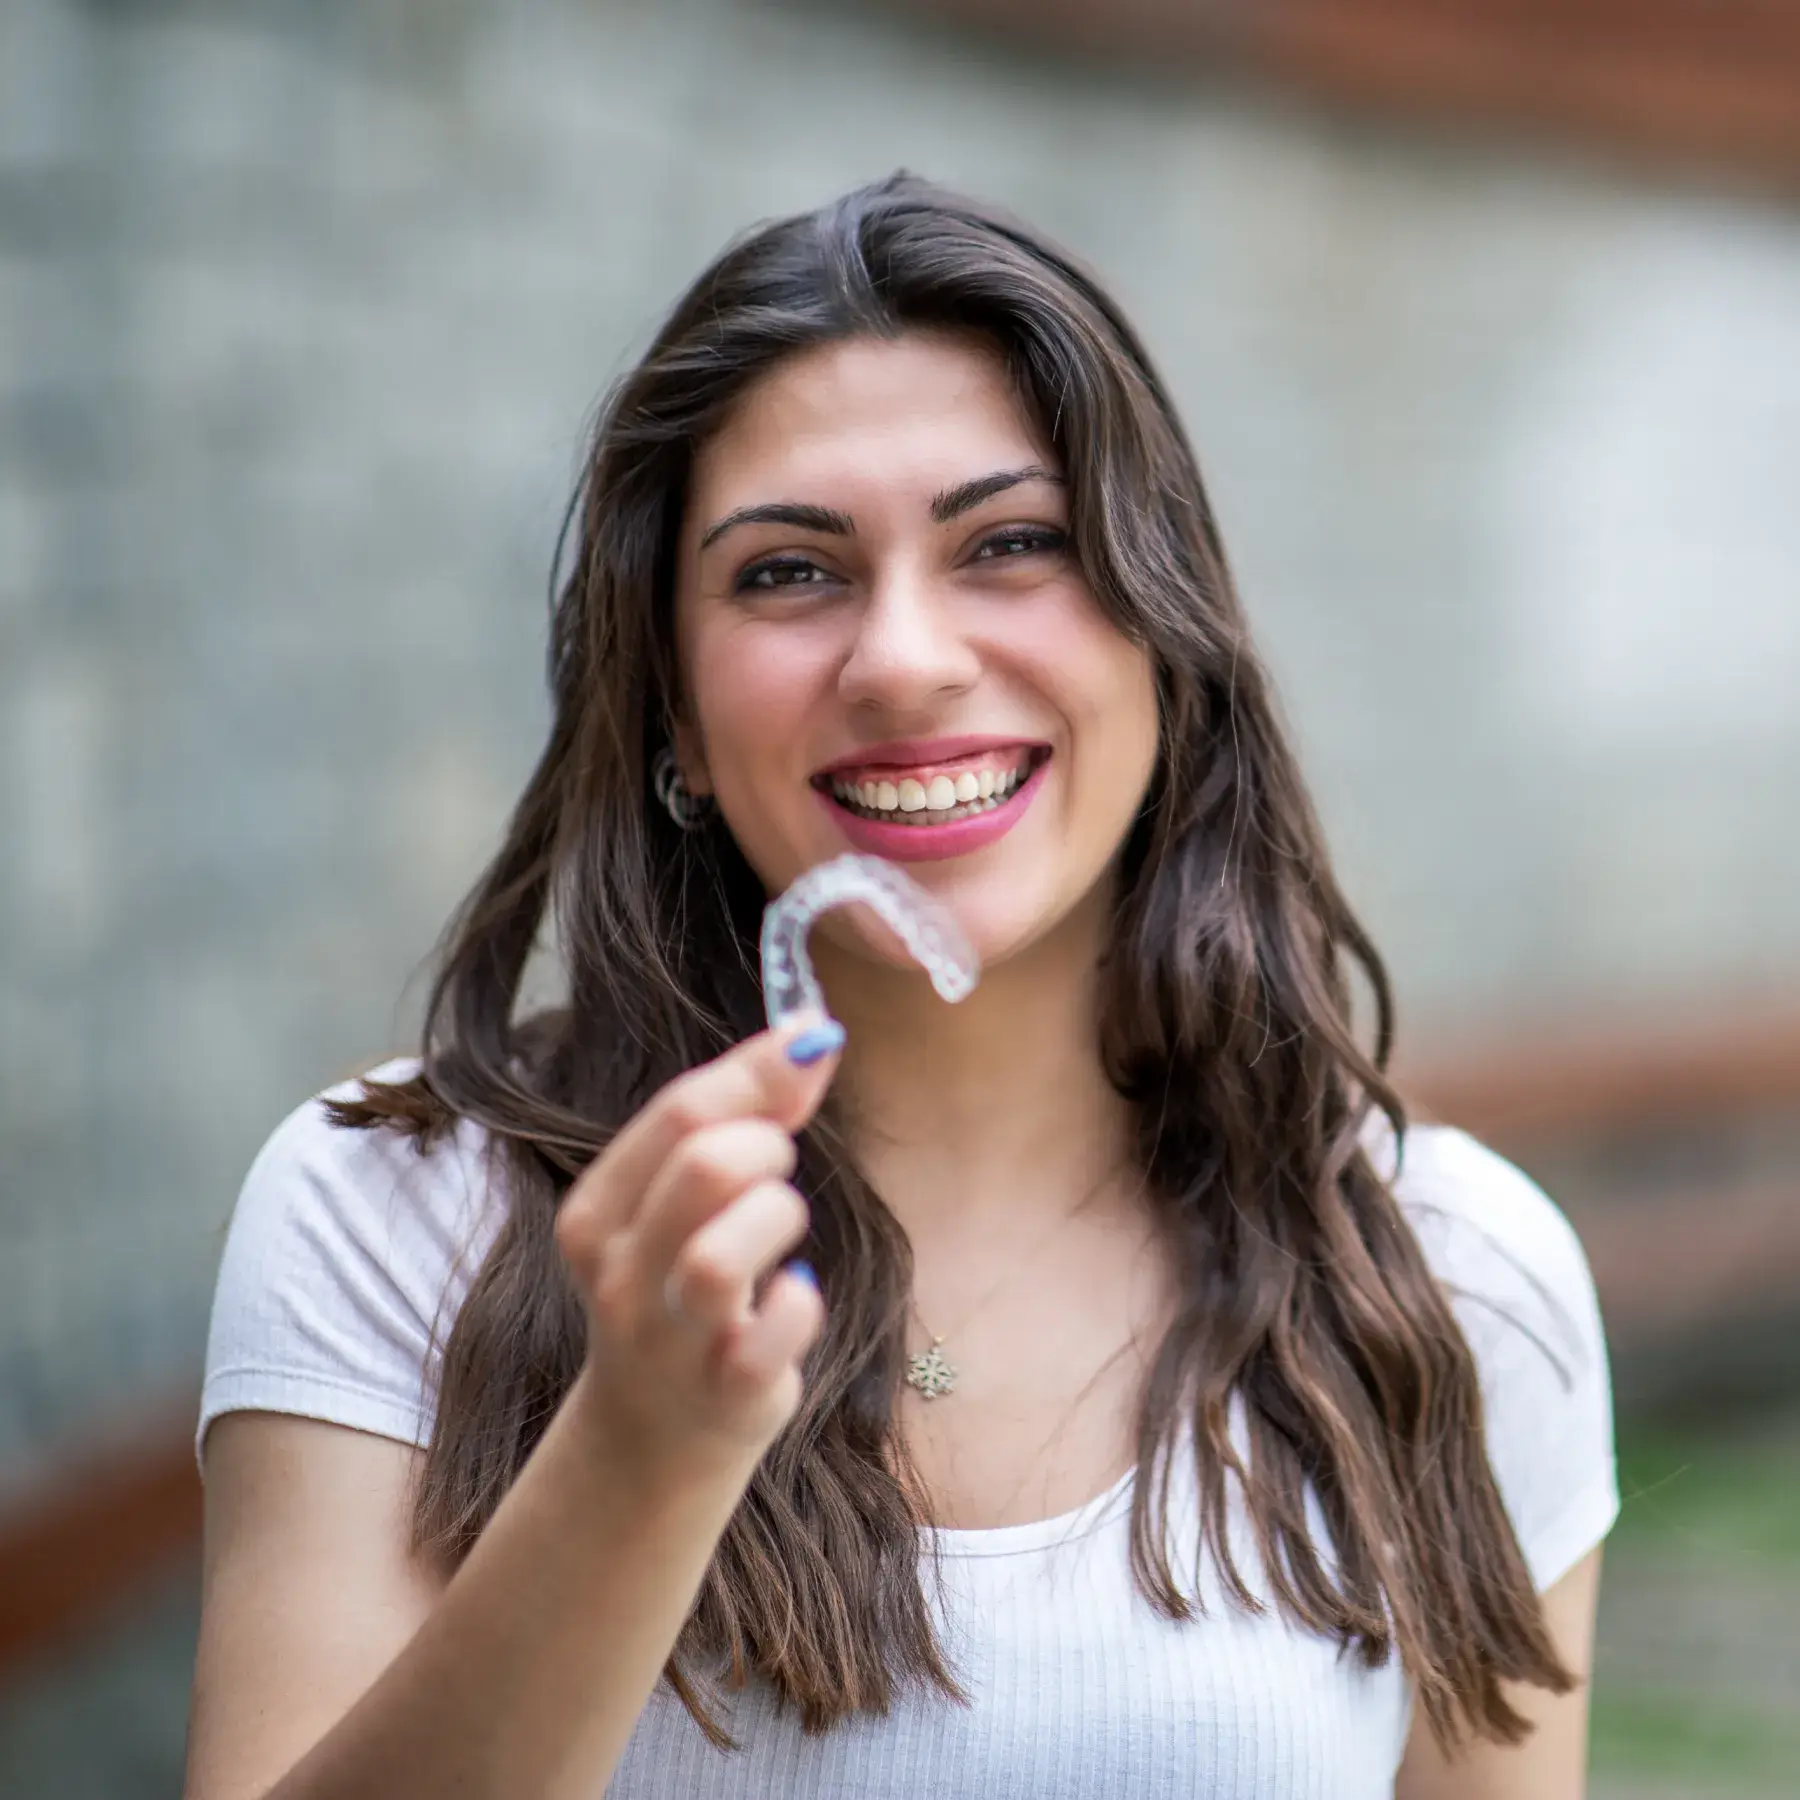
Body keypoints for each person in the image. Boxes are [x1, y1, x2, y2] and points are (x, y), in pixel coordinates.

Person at [182, 174, 1617, 1800]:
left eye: (1013, 544)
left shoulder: (1458, 1281)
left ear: (1169, 635)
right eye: (790, 573)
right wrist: (638, 1453)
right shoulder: (391, 1217)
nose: (907, 660)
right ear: (671, 715)